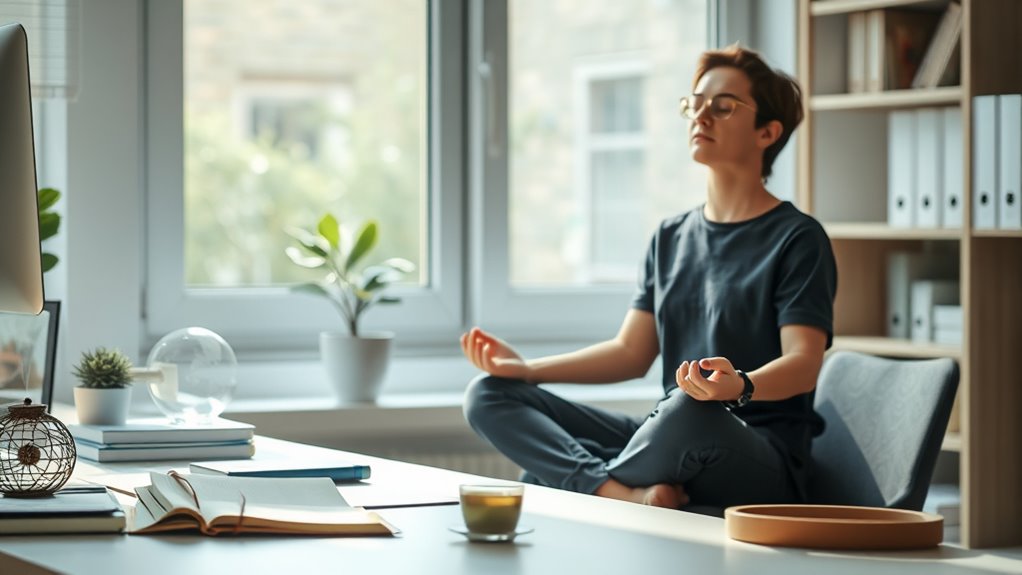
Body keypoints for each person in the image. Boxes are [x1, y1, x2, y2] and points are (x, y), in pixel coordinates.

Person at [461, 45, 837, 510]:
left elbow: (804, 364)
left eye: (722, 107)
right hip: (667, 435)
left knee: (684, 408)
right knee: (489, 394)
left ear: (767, 132)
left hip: (756, 453)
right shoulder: (670, 236)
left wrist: (739, 385)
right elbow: (630, 353)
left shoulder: (798, 238)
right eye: (694, 104)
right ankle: (622, 493)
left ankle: (582, 482)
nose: (701, 116)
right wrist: (528, 371)